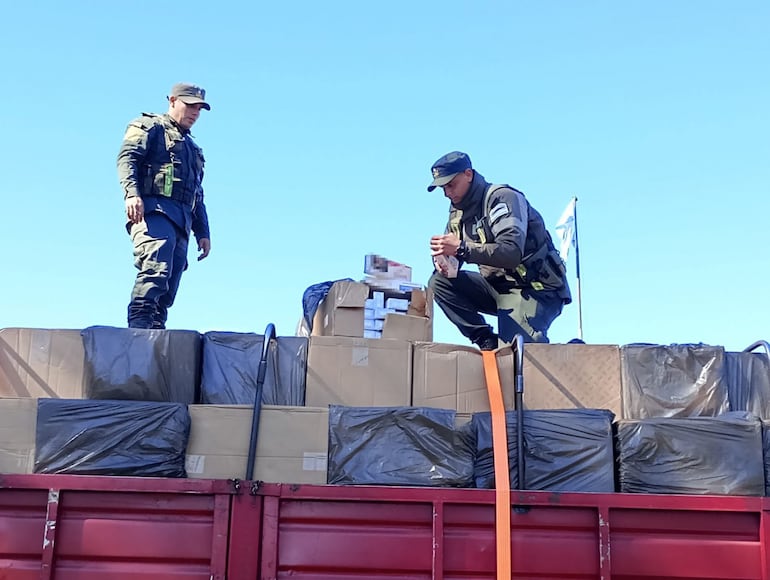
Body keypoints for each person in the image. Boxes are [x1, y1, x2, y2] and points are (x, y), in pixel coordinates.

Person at [427, 151, 571, 348]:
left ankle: (573, 352)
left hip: (535, 288)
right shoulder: (457, 213)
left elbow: (511, 253)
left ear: (468, 174)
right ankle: (486, 340)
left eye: (451, 185)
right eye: (443, 188)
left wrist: (461, 249)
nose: (447, 193)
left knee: (518, 357)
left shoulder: (502, 198)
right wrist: (445, 261)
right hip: (498, 286)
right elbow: (457, 255)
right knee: (439, 282)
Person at [117, 83, 212, 329]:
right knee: (156, 267)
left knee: (171, 279)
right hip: (154, 210)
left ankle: (156, 332)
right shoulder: (151, 127)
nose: (194, 113)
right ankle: (138, 328)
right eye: (189, 105)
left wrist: (203, 232)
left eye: (199, 109)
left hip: (182, 219)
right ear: (172, 101)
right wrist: (131, 194)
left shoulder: (193, 149)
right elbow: (128, 158)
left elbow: (197, 194)